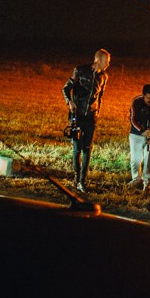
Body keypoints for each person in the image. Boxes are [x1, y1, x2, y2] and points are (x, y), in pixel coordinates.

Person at [62, 48, 110, 192]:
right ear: (98, 60)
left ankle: (82, 181)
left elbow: (100, 95)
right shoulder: (80, 71)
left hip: (91, 116)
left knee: (87, 149)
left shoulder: (104, 76)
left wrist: (98, 111)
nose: (108, 64)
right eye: (106, 61)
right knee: (77, 148)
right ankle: (77, 178)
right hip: (77, 114)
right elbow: (66, 88)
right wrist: (70, 101)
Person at [128, 83, 150, 190]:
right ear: (143, 95)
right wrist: (142, 131)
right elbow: (132, 119)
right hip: (136, 134)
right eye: (148, 99)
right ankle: (136, 179)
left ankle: (147, 182)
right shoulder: (136, 102)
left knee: (149, 159)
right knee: (135, 159)